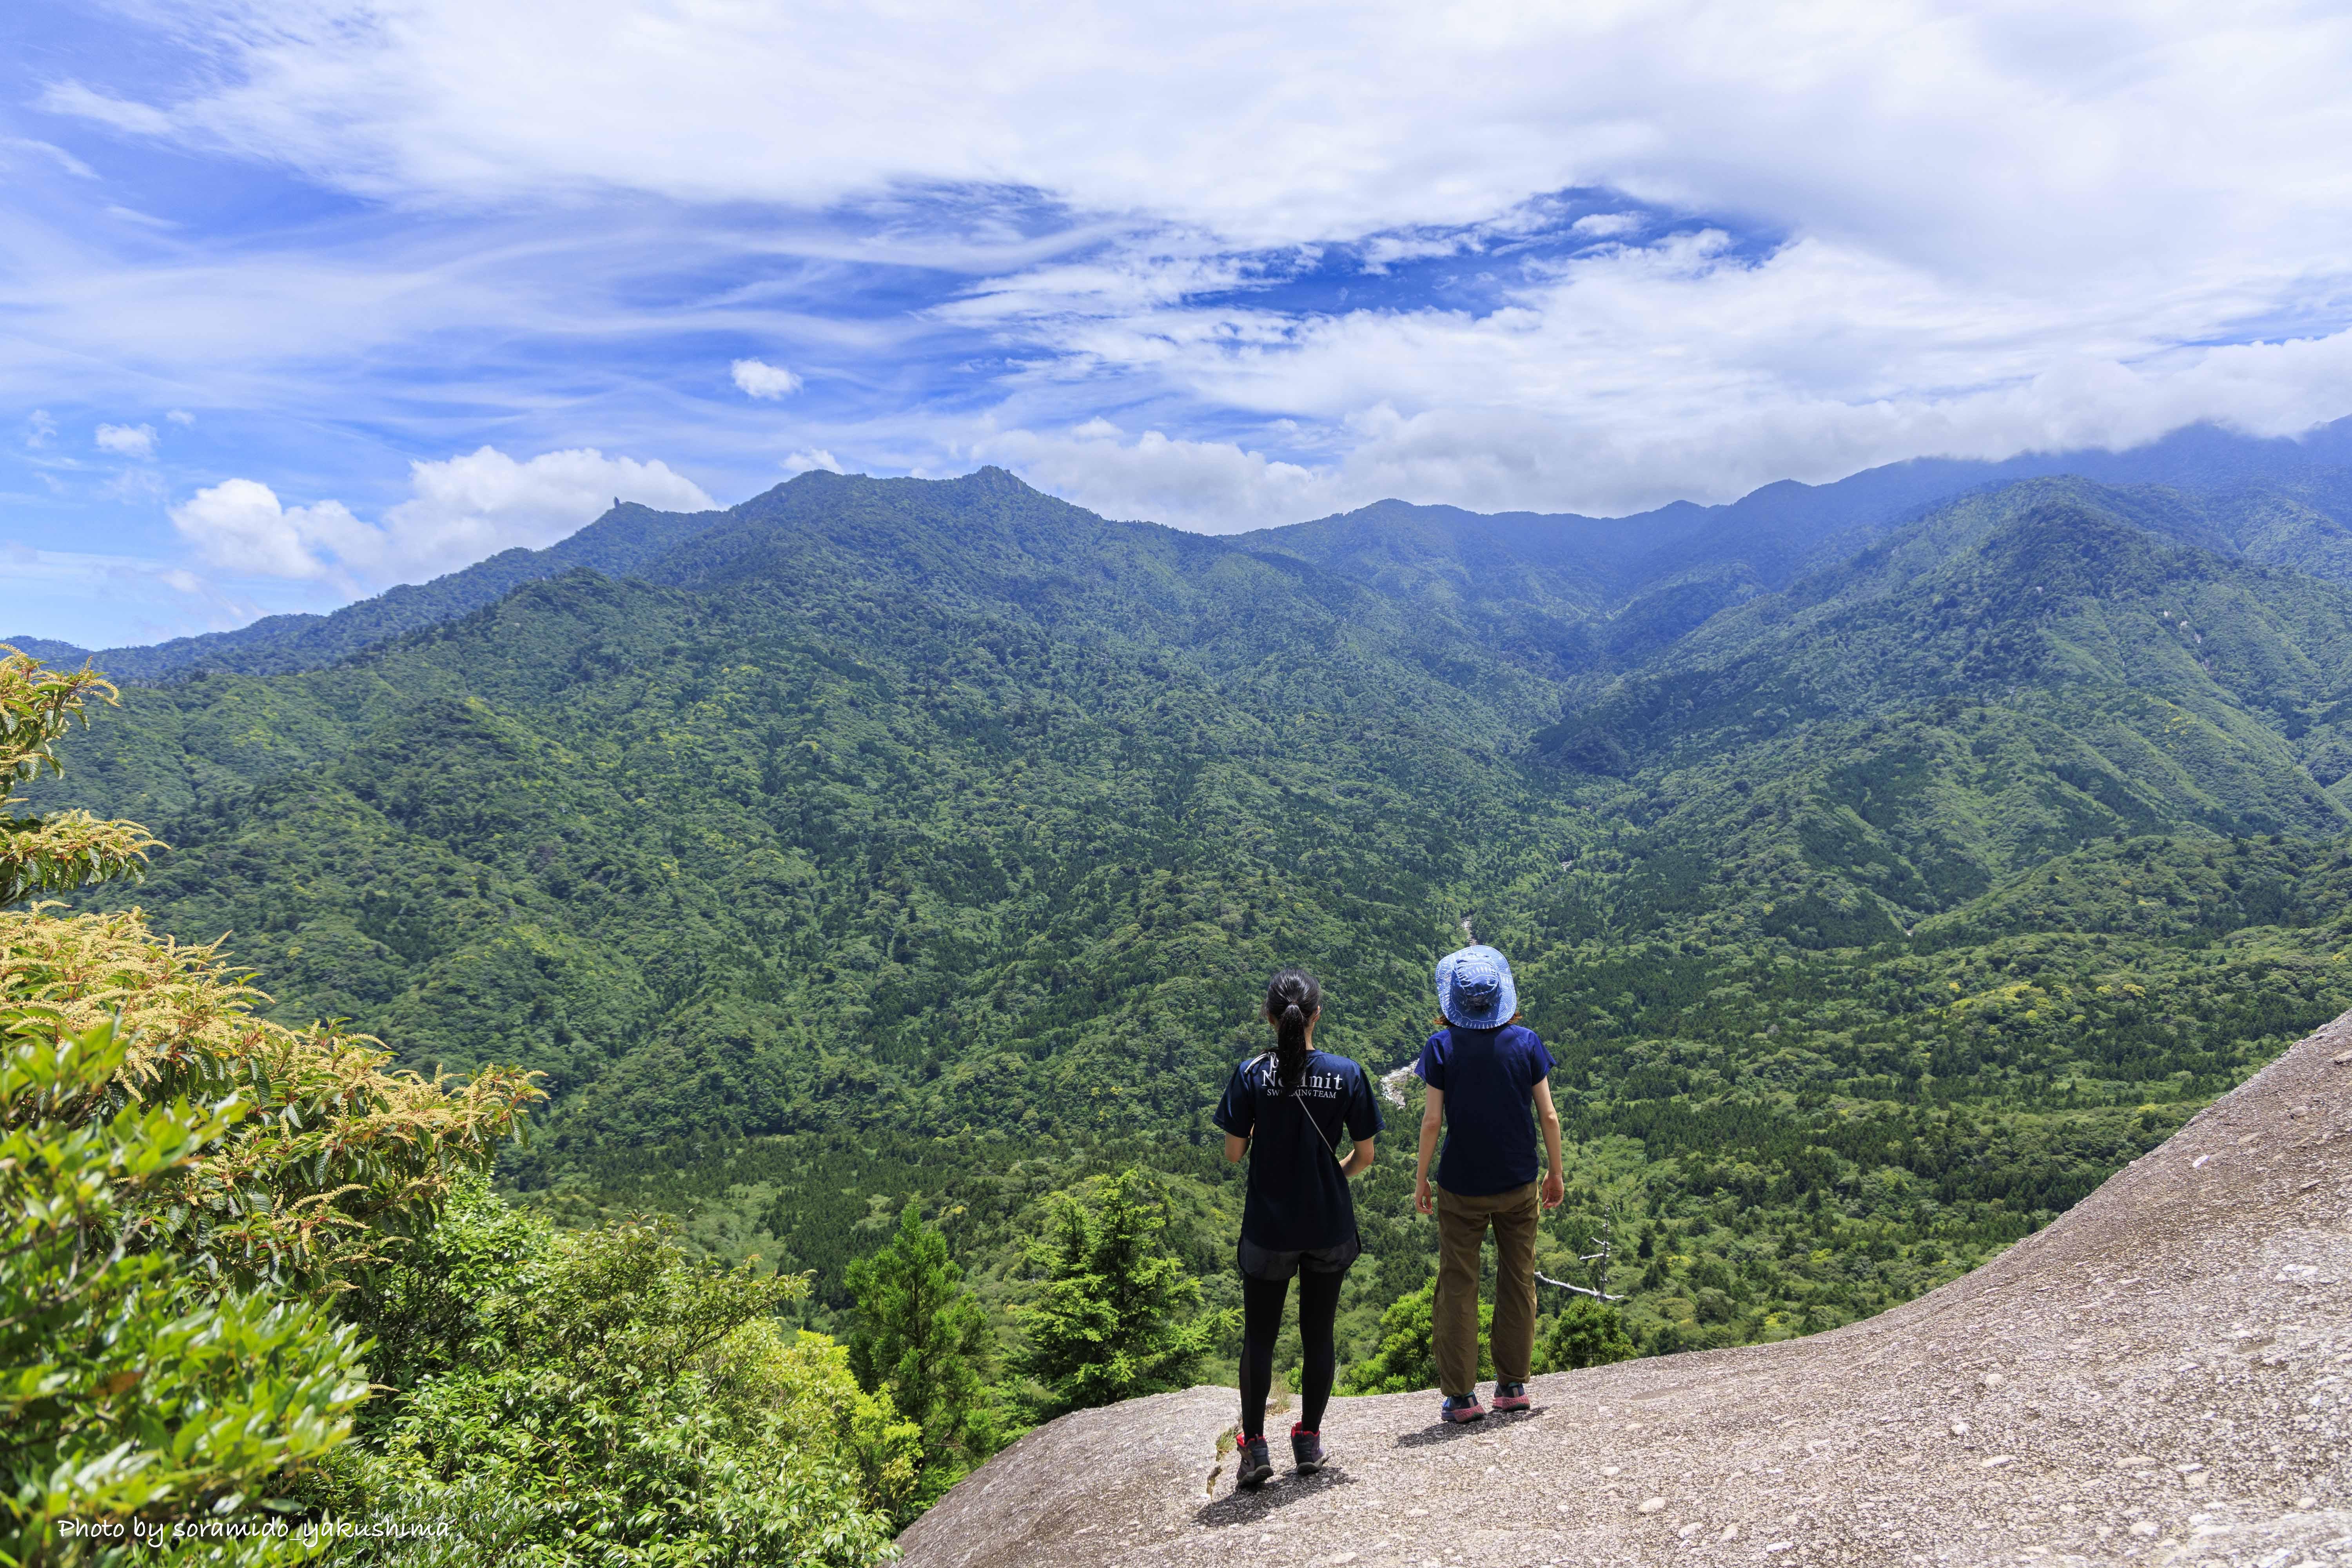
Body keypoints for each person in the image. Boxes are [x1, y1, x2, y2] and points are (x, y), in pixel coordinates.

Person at [1212, 967, 1383, 1491]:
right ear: (1317, 1015)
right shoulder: (1348, 1074)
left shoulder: (1250, 1074)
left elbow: (1234, 1153)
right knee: (1319, 1334)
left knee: (1260, 1338)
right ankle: (1308, 1439)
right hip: (1327, 1226)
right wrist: (1333, 1175)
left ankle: (1255, 1449)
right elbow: (1367, 1155)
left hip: (1269, 1229)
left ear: (1270, 1017)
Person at [1412, 944, 1564, 1424]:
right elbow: (1549, 1115)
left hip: (1461, 1184)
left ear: (1452, 1003)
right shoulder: (1527, 1042)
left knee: (1458, 1284)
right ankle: (1513, 1386)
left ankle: (1461, 1398)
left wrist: (1422, 1177)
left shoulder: (1441, 1048)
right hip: (1519, 1180)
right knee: (1517, 1280)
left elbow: (1433, 1121)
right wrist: (1556, 1173)